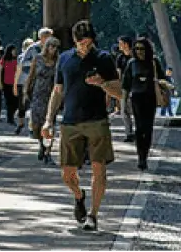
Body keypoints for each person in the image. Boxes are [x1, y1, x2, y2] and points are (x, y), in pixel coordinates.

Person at [42, 20, 126, 232]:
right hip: (70, 121)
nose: (85, 47)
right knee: (67, 174)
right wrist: (48, 120)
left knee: (99, 169)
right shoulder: (64, 59)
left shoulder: (104, 58)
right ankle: (79, 196)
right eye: (82, 43)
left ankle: (93, 215)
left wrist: (102, 84)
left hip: (97, 120)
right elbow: (58, 90)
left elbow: (119, 92)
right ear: (74, 41)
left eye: (89, 43)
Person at [125, 37, 173, 170]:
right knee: (139, 128)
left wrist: (166, 85)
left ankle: (145, 155)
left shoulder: (154, 62)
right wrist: (123, 102)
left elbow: (162, 78)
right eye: (137, 49)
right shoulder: (131, 63)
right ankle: (140, 157)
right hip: (136, 99)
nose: (139, 51)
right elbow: (126, 84)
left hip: (150, 98)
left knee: (148, 128)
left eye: (142, 48)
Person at [21, 27, 61, 162]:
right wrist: (26, 90)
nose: (53, 49)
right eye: (51, 46)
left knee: (50, 123)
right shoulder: (37, 59)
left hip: (52, 95)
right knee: (37, 124)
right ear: (47, 46)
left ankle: (48, 152)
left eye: (56, 47)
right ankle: (41, 145)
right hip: (38, 93)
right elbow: (31, 76)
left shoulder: (58, 62)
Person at [2, 42, 24, 127]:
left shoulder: (17, 60)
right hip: (6, 83)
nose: (14, 52)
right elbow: (0, 72)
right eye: (13, 50)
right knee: (9, 101)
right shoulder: (4, 60)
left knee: (15, 102)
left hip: (15, 83)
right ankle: (9, 118)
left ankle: (11, 115)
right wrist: (0, 83)